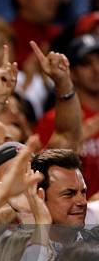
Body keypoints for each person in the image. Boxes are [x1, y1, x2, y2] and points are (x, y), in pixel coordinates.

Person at [36, 34, 99, 198]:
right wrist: (78, 137)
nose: (96, 69)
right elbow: (41, 172)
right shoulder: (55, 120)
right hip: (76, 212)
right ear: (73, 73)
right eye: (86, 63)